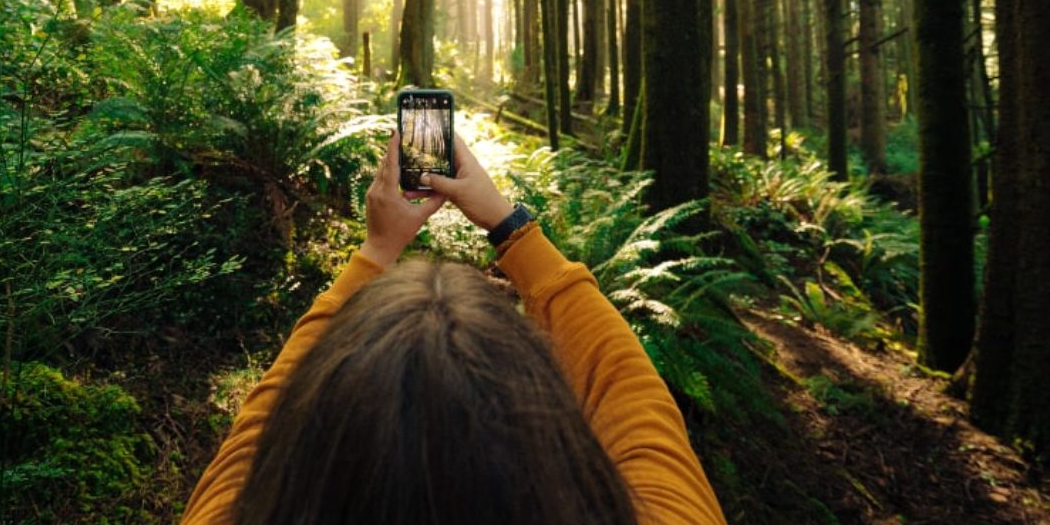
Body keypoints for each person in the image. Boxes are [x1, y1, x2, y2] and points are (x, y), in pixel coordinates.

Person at [182, 134, 727, 525]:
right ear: (555, 446)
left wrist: (376, 249)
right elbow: (630, 394)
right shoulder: (666, 513)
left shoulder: (240, 507)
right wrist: (508, 225)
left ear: (306, 441)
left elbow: (260, 422)